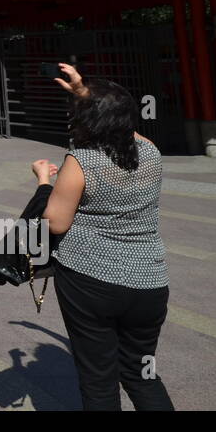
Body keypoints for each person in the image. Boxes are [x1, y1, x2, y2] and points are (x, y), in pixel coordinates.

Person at [37, 61, 173, 412]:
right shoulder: (151, 153)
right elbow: (125, 127)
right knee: (141, 373)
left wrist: (42, 182)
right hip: (149, 281)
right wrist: (88, 94)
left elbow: (55, 223)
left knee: (98, 379)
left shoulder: (82, 160)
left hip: (90, 280)